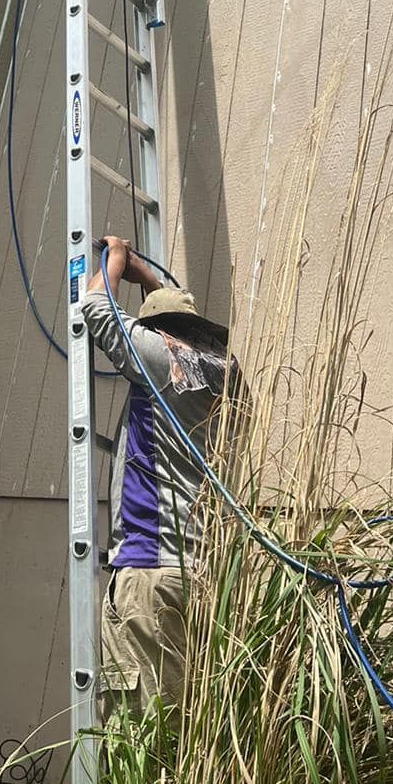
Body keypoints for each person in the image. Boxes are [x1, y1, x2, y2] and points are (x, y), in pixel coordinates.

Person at [81, 234, 234, 721]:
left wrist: (115, 259)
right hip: (198, 573)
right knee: (182, 719)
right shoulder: (224, 372)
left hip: (148, 571)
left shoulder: (159, 358)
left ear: (159, 332)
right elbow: (172, 309)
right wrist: (146, 277)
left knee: (137, 731)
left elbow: (96, 308)